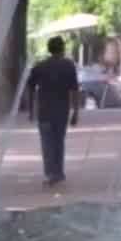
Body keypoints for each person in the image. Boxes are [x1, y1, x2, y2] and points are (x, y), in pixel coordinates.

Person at [25, 36, 81, 185]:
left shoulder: (40, 66)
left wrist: (31, 109)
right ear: (62, 48)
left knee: (47, 143)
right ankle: (58, 172)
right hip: (61, 111)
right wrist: (75, 112)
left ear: (49, 49)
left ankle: (50, 173)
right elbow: (74, 90)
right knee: (59, 142)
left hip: (44, 111)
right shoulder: (69, 66)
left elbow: (30, 87)